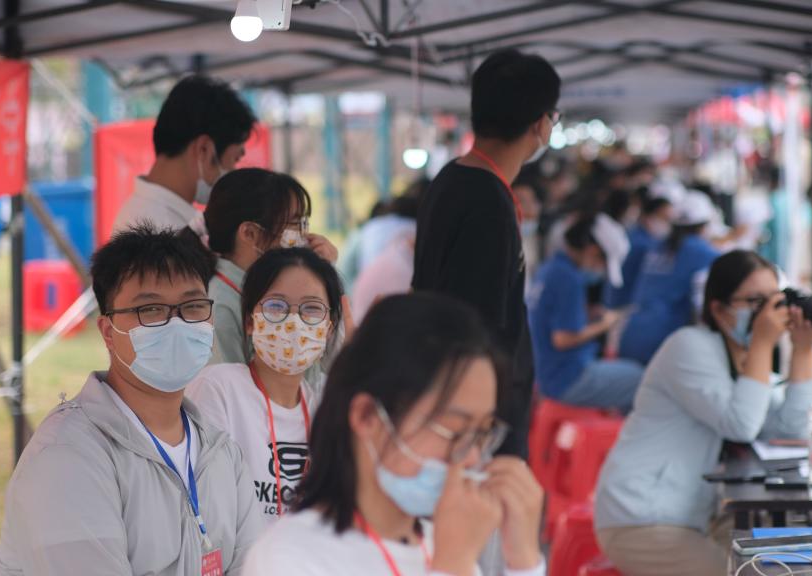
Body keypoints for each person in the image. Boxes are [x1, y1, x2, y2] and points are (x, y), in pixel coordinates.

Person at [0, 225, 264, 575]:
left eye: (193, 306)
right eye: (150, 310)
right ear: (108, 332)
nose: (177, 323)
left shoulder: (222, 452)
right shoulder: (67, 456)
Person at [243, 293, 546, 576]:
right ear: (367, 416)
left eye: (481, 433)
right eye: (454, 429)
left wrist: (523, 561)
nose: (472, 457)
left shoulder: (441, 539)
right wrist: (453, 564)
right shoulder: (288, 557)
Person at [595, 250, 812, 576]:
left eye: (775, 301)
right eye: (755, 301)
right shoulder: (688, 347)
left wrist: (802, 351)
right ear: (719, 309)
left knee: (785, 563)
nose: (768, 313)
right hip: (639, 518)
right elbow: (740, 424)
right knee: (743, 572)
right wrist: (762, 343)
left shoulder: (746, 365)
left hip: (694, 517)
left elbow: (791, 428)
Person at [412, 48, 561, 459]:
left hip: (457, 398)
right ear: (541, 124)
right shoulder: (487, 201)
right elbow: (478, 326)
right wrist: (481, 429)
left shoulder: (453, 179)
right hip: (479, 420)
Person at [187, 248, 344, 526]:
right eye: (276, 306)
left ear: (329, 328)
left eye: (311, 308)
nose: (293, 322)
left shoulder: (326, 407)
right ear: (250, 321)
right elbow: (210, 512)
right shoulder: (219, 389)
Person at [203, 168, 338, 365]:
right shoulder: (221, 305)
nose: (305, 236)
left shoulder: (264, 288)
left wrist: (323, 277)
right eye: (293, 224)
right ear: (250, 233)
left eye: (304, 223)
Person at [112, 75, 256, 235]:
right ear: (204, 149)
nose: (234, 171)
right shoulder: (159, 232)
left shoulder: (154, 215)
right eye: (235, 159)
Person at [527, 216, 642, 413]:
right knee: (641, 379)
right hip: (566, 378)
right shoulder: (569, 278)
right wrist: (605, 324)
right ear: (592, 251)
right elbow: (562, 339)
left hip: (545, 372)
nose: (600, 269)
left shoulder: (551, 268)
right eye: (602, 262)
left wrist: (587, 314)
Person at [619, 190, 721, 365]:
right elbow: (705, 308)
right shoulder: (704, 253)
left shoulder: (656, 247)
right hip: (664, 344)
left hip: (631, 336)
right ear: (704, 225)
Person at [605, 196, 673, 310]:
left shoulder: (634, 236)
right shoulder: (643, 244)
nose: (667, 224)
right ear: (648, 216)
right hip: (625, 304)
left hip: (618, 303)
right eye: (664, 218)